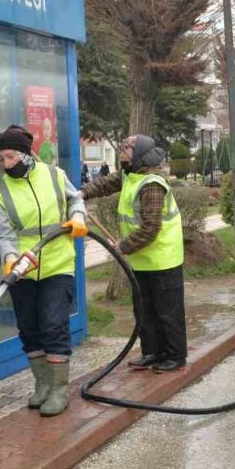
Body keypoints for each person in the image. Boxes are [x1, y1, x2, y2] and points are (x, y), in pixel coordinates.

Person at [0, 125, 87, 416]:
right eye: (2, 159)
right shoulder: (0, 193)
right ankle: (42, 385)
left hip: (58, 263)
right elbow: (4, 234)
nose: (6, 164)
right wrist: (9, 258)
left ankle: (59, 391)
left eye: (10, 157)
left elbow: (75, 198)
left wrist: (78, 216)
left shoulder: (54, 175)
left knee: (53, 324)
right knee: (29, 327)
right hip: (24, 270)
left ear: (26, 155)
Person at [81, 135, 187, 372]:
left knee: (167, 312)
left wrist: (124, 246)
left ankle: (175, 355)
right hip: (141, 261)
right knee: (144, 311)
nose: (122, 149)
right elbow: (105, 184)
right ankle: (151, 352)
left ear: (139, 154)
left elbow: (151, 228)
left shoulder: (151, 185)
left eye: (128, 147)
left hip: (162, 259)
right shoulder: (130, 176)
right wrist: (82, 193)